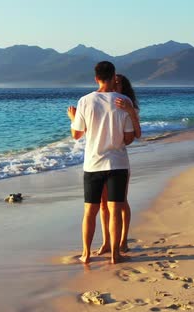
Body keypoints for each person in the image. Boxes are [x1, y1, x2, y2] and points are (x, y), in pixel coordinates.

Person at [67, 61, 135, 264]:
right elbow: (129, 138)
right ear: (114, 76)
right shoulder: (123, 101)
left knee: (90, 211)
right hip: (118, 164)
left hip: (93, 164)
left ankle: (86, 254)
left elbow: (76, 134)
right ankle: (115, 254)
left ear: (96, 78)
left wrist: (72, 118)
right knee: (115, 211)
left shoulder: (85, 101)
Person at [97, 74, 142, 255]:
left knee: (120, 202)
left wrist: (130, 111)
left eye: (118, 84)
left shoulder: (128, 106)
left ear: (124, 87)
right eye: (113, 82)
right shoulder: (100, 103)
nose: (115, 86)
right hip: (99, 161)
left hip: (119, 161)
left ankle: (123, 240)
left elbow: (135, 135)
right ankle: (107, 241)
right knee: (102, 205)